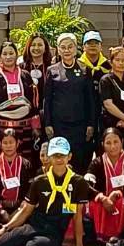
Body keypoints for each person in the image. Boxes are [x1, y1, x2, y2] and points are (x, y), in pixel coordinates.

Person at [0, 134, 93, 246]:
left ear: (69, 156)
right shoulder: (39, 181)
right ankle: (20, 242)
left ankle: (24, 245)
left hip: (54, 232)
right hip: (34, 225)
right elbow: (26, 211)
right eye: (55, 155)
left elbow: (78, 216)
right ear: (49, 157)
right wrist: (5, 229)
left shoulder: (78, 182)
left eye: (62, 155)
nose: (59, 159)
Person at [42, 34, 99, 170]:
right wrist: (48, 123)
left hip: (80, 125)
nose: (66, 50)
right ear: (58, 49)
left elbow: (90, 99)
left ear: (76, 48)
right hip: (59, 125)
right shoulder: (52, 70)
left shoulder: (85, 69)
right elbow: (47, 99)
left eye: (70, 47)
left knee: (79, 161)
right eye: (63, 47)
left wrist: (91, 124)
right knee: (60, 160)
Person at [0, 41, 40, 159]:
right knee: (0, 163)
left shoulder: (25, 75)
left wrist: (36, 125)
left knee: (24, 162)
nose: (8, 56)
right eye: (5, 54)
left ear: (16, 54)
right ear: (0, 57)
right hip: (1, 129)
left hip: (24, 129)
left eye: (11, 53)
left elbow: (34, 103)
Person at [85, 127, 124, 246]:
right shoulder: (97, 163)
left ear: (122, 142)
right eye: (108, 143)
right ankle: (101, 237)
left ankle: (120, 234)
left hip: (122, 199)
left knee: (123, 202)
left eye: (116, 142)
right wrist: (102, 198)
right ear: (103, 145)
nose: (112, 146)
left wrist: (117, 194)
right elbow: (86, 184)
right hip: (103, 200)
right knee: (96, 203)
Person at [0, 128, 35, 225]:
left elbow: (31, 190)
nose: (8, 146)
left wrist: (22, 207)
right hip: (0, 209)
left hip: (21, 208)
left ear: (17, 143)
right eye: (5, 143)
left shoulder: (26, 164)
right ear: (0, 144)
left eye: (11, 142)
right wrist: (0, 210)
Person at [97, 45, 124, 154]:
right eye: (117, 60)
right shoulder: (106, 80)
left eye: (123, 60)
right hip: (113, 124)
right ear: (111, 62)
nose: (121, 63)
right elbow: (108, 104)